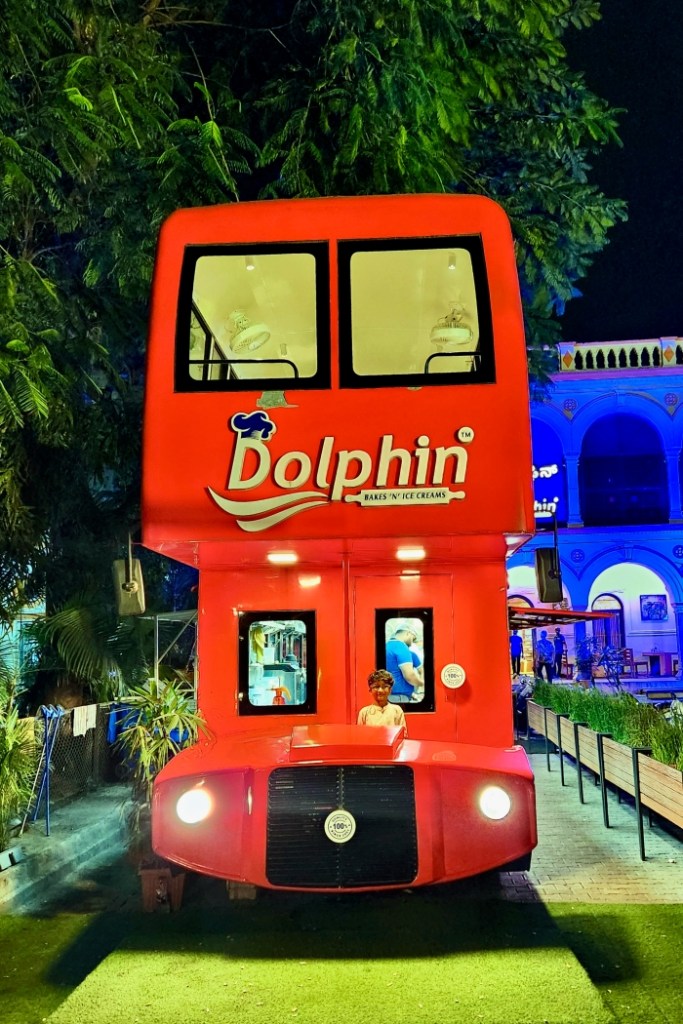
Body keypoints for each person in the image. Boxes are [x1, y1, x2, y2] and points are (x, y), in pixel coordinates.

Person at [385, 625, 423, 703]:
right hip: (399, 698)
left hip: (389, 696)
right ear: (408, 633)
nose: (412, 643)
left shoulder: (387, 646)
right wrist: (422, 684)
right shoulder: (400, 646)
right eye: (413, 638)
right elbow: (409, 676)